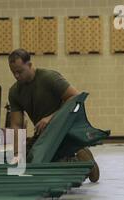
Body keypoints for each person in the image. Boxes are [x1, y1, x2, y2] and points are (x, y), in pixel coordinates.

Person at [8, 48, 100, 182]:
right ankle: (73, 157)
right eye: (13, 72)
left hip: (64, 130)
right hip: (44, 134)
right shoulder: (15, 91)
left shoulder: (49, 78)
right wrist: (17, 153)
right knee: (31, 162)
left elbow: (75, 98)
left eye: (20, 71)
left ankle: (81, 158)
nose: (16, 76)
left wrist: (50, 118)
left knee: (53, 163)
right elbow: (16, 124)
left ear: (29, 65)